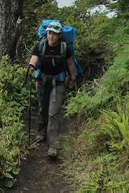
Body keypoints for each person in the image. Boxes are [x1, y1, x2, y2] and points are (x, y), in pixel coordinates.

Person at [28, 21, 76, 158]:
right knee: (43, 107)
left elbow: (70, 64)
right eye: (49, 33)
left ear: (59, 35)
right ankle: (41, 132)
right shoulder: (40, 45)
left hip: (58, 83)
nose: (51, 36)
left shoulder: (64, 48)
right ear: (47, 33)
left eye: (54, 33)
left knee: (53, 112)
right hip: (42, 81)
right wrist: (31, 66)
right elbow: (34, 58)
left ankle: (53, 145)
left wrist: (72, 79)